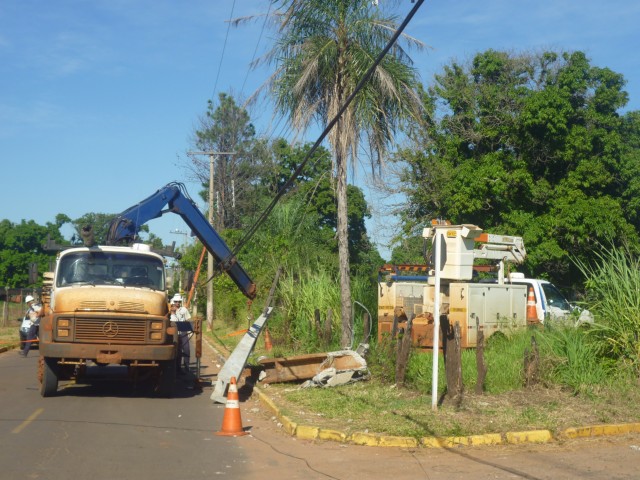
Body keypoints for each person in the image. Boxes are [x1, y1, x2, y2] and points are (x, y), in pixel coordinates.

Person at [169, 294, 192, 374]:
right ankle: (177, 368)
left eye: (179, 301)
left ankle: (187, 366)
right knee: (177, 351)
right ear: (173, 301)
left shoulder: (184, 310)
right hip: (174, 333)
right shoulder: (170, 310)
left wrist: (189, 330)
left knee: (186, 349)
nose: (177, 303)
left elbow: (188, 320)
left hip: (183, 332)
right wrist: (172, 312)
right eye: (176, 301)